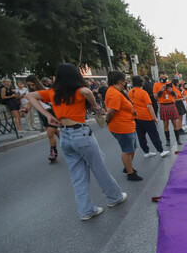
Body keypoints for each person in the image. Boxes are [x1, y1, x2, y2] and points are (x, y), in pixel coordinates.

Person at [26, 64, 126, 220]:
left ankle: (86, 210)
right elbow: (86, 91)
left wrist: (47, 115)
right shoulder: (78, 91)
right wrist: (93, 105)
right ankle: (114, 197)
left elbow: (30, 96)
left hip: (65, 135)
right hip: (80, 132)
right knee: (99, 167)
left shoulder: (53, 93)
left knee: (77, 176)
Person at [105, 71, 142, 182]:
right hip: (122, 126)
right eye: (125, 79)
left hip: (128, 124)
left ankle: (128, 166)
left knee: (132, 148)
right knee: (127, 150)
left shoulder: (118, 91)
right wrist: (107, 120)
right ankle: (130, 172)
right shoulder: (114, 93)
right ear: (120, 81)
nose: (126, 81)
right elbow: (111, 111)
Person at [128, 76, 169, 159]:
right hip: (146, 116)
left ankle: (146, 151)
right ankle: (160, 150)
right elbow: (149, 106)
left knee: (141, 135)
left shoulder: (130, 92)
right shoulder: (143, 92)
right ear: (142, 83)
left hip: (136, 116)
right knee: (153, 134)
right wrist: (154, 117)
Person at [153, 71, 182, 147]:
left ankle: (178, 139)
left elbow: (176, 95)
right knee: (166, 124)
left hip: (171, 104)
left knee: (174, 123)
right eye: (162, 76)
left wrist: (171, 90)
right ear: (159, 76)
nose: (164, 77)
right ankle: (168, 140)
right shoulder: (156, 85)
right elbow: (155, 96)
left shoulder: (170, 84)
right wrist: (162, 90)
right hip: (163, 105)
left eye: (164, 76)